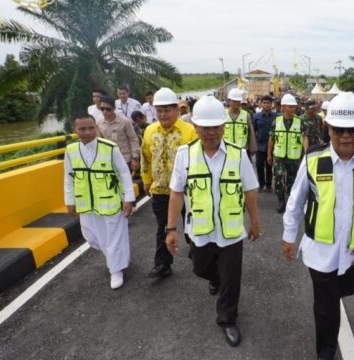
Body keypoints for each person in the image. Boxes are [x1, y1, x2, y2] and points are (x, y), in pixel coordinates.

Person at [282, 92, 354, 360]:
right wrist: (288, 235)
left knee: (348, 288)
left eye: (352, 130)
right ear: (327, 128)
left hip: (353, 251)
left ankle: (333, 311)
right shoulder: (314, 159)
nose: (345, 136)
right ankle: (325, 352)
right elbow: (296, 200)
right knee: (326, 306)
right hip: (320, 250)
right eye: (338, 129)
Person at [165, 96, 260, 347]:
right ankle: (214, 277)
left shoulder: (238, 155)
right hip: (200, 230)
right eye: (205, 127)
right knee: (200, 268)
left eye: (215, 126)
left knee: (232, 277)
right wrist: (171, 228)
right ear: (195, 127)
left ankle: (228, 319)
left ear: (223, 126)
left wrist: (255, 222)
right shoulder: (185, 155)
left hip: (230, 232)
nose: (210, 132)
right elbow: (176, 192)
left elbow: (250, 191)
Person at [64, 113, 134, 289]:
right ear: (74, 130)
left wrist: (128, 199)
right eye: (82, 128)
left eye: (91, 128)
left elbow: (124, 173)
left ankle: (116, 270)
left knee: (113, 238)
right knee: (92, 237)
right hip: (86, 203)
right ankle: (117, 257)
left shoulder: (109, 148)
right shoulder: (71, 150)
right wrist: (69, 201)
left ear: (96, 127)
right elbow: (68, 177)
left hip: (110, 202)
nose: (87, 132)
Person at [141, 87, 198, 279]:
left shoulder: (190, 131)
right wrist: (146, 181)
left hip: (189, 190)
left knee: (193, 225)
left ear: (176, 109)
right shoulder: (149, 131)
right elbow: (145, 157)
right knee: (163, 227)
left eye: (167, 110)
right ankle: (163, 265)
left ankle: (199, 254)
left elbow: (199, 160)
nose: (163, 114)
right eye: (159, 110)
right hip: (161, 190)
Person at [267, 93, 308, 213]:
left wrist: (306, 153)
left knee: (292, 181)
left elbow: (305, 138)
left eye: (294, 107)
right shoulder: (277, 121)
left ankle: (290, 201)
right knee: (279, 179)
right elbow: (271, 138)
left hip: (294, 157)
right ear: (283, 107)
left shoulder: (300, 122)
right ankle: (281, 202)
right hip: (279, 156)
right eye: (289, 107)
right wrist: (269, 154)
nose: (292, 109)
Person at [96, 95, 141, 174]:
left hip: (126, 160)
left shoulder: (125, 122)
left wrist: (135, 158)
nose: (105, 112)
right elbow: (100, 143)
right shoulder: (99, 123)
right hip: (109, 160)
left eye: (108, 109)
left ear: (114, 108)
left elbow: (133, 139)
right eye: (102, 109)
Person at [223, 88, 257, 159]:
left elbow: (251, 132)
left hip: (242, 151)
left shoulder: (246, 115)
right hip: (226, 151)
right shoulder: (223, 114)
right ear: (229, 101)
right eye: (234, 101)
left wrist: (252, 148)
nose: (236, 103)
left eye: (238, 101)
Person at [253, 95, 275, 192]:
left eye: (268, 103)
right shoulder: (256, 116)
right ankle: (261, 184)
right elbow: (253, 131)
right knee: (259, 165)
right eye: (264, 103)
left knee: (269, 166)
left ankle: (269, 185)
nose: (266, 105)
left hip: (273, 146)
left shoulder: (276, 116)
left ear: (271, 105)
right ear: (261, 104)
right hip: (260, 146)